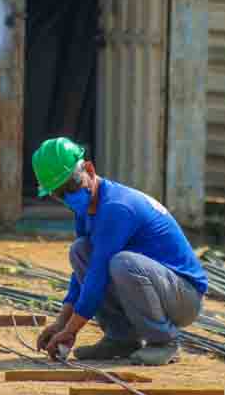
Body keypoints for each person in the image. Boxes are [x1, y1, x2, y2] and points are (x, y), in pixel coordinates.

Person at [32, 137, 208, 365]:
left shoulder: (116, 207)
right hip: (160, 287)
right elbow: (82, 275)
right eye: (60, 193)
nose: (69, 197)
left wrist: (71, 331)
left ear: (89, 169)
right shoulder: (87, 211)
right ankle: (121, 339)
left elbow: (97, 276)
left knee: (122, 264)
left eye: (71, 186)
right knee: (80, 251)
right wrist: (61, 324)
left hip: (184, 297)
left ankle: (165, 342)